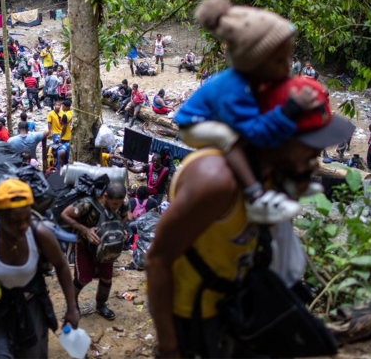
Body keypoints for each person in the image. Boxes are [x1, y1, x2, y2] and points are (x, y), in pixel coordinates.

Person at [145, 76, 354, 358]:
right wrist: (169, 345)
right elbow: (158, 260)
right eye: (311, 144)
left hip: (235, 302)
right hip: (194, 317)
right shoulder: (216, 181)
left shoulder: (270, 173)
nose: (318, 157)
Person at [174, 0, 321, 223]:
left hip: (225, 117)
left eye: (287, 60)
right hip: (196, 123)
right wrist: (289, 109)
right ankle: (255, 196)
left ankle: (291, 177)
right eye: (279, 61)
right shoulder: (234, 89)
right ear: (254, 62)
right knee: (230, 137)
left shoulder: (255, 83)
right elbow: (253, 130)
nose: (286, 68)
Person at [0, 180, 79, 358]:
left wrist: (72, 308)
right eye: (15, 221)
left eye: (27, 218)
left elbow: (62, 266)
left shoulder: (40, 233)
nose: (23, 226)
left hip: (30, 305)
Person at [61, 183, 129, 320]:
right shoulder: (87, 204)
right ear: (105, 196)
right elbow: (65, 215)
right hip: (85, 245)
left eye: (119, 204)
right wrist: (85, 230)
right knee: (82, 278)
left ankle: (101, 305)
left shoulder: (123, 202)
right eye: (114, 203)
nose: (116, 207)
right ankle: (72, 305)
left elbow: (125, 215)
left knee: (106, 277)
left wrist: (120, 229)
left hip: (107, 247)